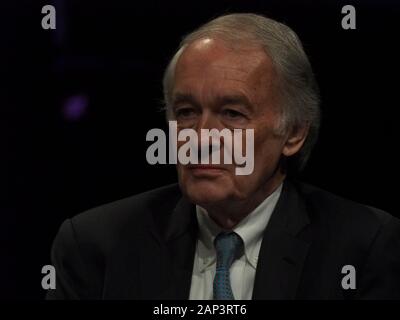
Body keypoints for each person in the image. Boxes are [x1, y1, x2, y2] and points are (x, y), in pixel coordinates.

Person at [47, 13, 400, 300]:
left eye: (232, 113)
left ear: (293, 133)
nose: (201, 138)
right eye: (185, 112)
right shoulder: (94, 246)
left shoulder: (363, 248)